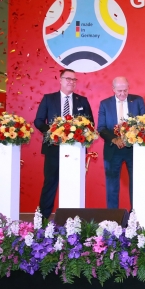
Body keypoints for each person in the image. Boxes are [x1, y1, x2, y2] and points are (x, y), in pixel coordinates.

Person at [34, 69, 94, 219]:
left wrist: (82, 133)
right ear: (60, 80)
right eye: (68, 78)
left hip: (76, 150)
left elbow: (91, 123)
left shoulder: (82, 100)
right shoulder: (48, 98)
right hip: (53, 149)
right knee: (50, 183)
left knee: (74, 184)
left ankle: (74, 219)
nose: (71, 82)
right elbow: (38, 121)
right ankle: (42, 219)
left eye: (74, 80)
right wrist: (53, 132)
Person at [97, 76, 145, 209]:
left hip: (134, 149)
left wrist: (131, 138)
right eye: (119, 91)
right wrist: (114, 139)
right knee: (112, 186)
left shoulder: (138, 101)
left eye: (125, 90)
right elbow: (101, 128)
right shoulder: (105, 104)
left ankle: (136, 215)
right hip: (112, 149)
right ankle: (113, 217)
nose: (122, 93)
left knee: (137, 184)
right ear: (113, 89)